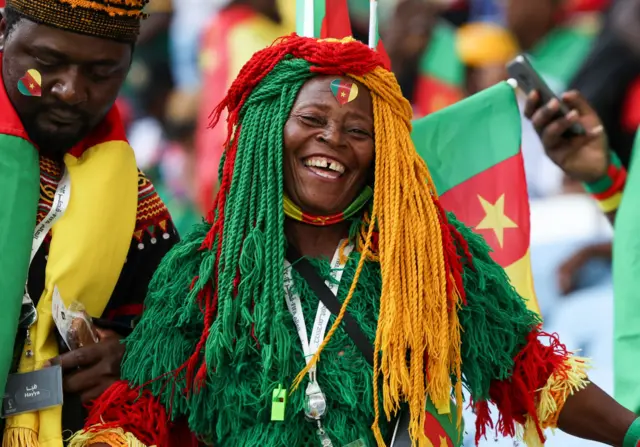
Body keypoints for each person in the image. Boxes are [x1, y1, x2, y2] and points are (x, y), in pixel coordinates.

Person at [70, 35, 639, 447]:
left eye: (358, 131)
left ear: (383, 151)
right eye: (311, 119)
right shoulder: (203, 268)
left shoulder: (425, 255)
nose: (333, 140)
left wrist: (631, 432)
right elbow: (145, 403)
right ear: (271, 129)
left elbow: (526, 367)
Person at [0, 0, 178, 444]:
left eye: (101, 74)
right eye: (47, 63)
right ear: (3, 32)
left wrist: (125, 356)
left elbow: (177, 336)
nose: (71, 91)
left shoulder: (134, 202)